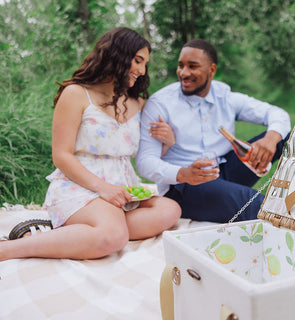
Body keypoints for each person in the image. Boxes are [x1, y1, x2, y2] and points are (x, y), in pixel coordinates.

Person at [0, 27, 181, 262]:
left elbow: (145, 157)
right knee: (114, 237)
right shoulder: (76, 94)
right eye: (137, 61)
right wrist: (103, 189)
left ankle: (83, 232)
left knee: (170, 210)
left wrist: (167, 142)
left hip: (123, 190)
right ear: (117, 54)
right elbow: (61, 156)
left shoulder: (138, 104)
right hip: (80, 186)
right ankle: (11, 248)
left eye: (145, 63)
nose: (141, 70)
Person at [136, 39, 290, 223]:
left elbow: (276, 113)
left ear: (212, 70)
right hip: (184, 185)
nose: (183, 73)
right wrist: (184, 173)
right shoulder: (160, 104)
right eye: (180, 66)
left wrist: (270, 139)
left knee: (286, 139)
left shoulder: (225, 97)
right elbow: (144, 162)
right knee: (254, 203)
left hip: (222, 170)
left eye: (192, 66)